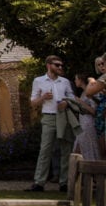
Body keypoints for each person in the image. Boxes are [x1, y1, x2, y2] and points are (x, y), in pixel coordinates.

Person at [26, 56, 75, 193]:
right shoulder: (38, 81)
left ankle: (64, 183)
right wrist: (43, 98)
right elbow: (33, 102)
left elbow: (72, 97)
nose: (60, 67)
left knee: (66, 149)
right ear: (48, 65)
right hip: (48, 117)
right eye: (57, 65)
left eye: (61, 65)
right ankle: (39, 183)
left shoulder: (65, 82)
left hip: (64, 117)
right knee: (45, 149)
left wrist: (67, 102)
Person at [71, 74, 100, 161]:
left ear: (80, 80)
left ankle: (92, 169)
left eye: (76, 79)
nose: (75, 81)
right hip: (82, 122)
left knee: (87, 148)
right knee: (78, 149)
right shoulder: (83, 93)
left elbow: (94, 111)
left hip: (88, 124)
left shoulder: (91, 91)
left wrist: (80, 102)